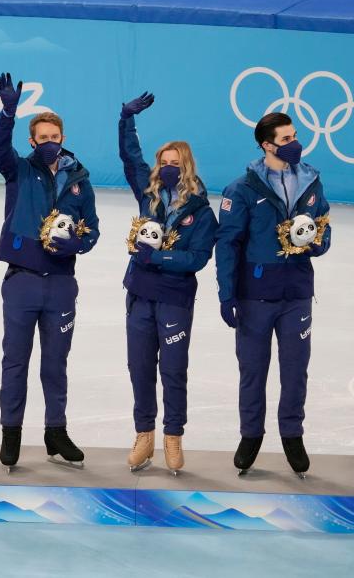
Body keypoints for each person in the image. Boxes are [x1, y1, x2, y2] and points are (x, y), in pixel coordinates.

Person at [0, 72, 100, 472]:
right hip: (21, 281)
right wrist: (7, 113)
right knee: (15, 361)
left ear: (62, 137)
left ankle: (56, 433)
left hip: (61, 285)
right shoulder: (18, 170)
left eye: (56, 136)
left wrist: (78, 244)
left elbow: (94, 228)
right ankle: (11, 434)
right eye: (43, 137)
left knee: (56, 364)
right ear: (32, 141)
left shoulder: (79, 180)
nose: (50, 142)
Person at [216, 112, 331, 478]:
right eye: (285, 139)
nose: (294, 143)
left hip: (296, 292)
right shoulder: (242, 190)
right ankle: (251, 435)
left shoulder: (311, 181)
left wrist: (314, 243)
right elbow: (228, 245)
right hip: (254, 296)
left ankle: (292, 435)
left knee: (295, 371)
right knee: (253, 372)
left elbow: (324, 229)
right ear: (267, 145)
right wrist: (227, 293)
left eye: (295, 136)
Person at [117, 92, 217, 475]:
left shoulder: (202, 212)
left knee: (173, 370)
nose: (168, 168)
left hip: (175, 299)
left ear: (187, 166)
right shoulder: (149, 193)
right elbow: (130, 157)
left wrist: (155, 257)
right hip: (140, 296)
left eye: (175, 163)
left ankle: (173, 437)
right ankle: (144, 436)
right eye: (164, 162)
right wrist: (126, 119)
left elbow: (197, 259)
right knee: (140, 368)